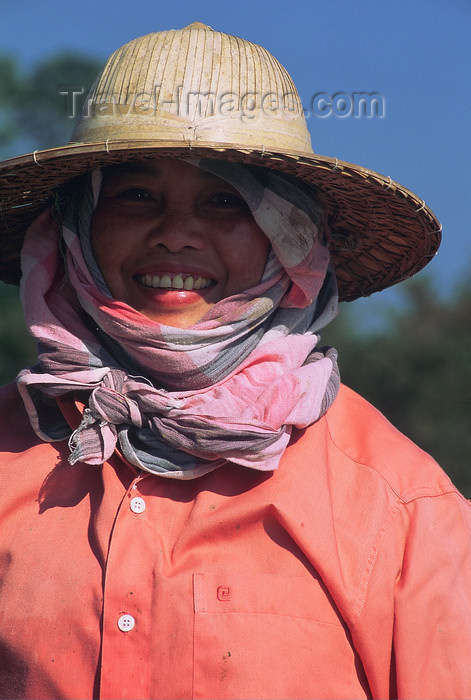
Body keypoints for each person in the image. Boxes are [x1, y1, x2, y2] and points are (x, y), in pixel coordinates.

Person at [0, 21, 469, 700]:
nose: (176, 234)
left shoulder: (402, 512)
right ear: (75, 227)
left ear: (292, 241)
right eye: (136, 195)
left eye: (226, 201)